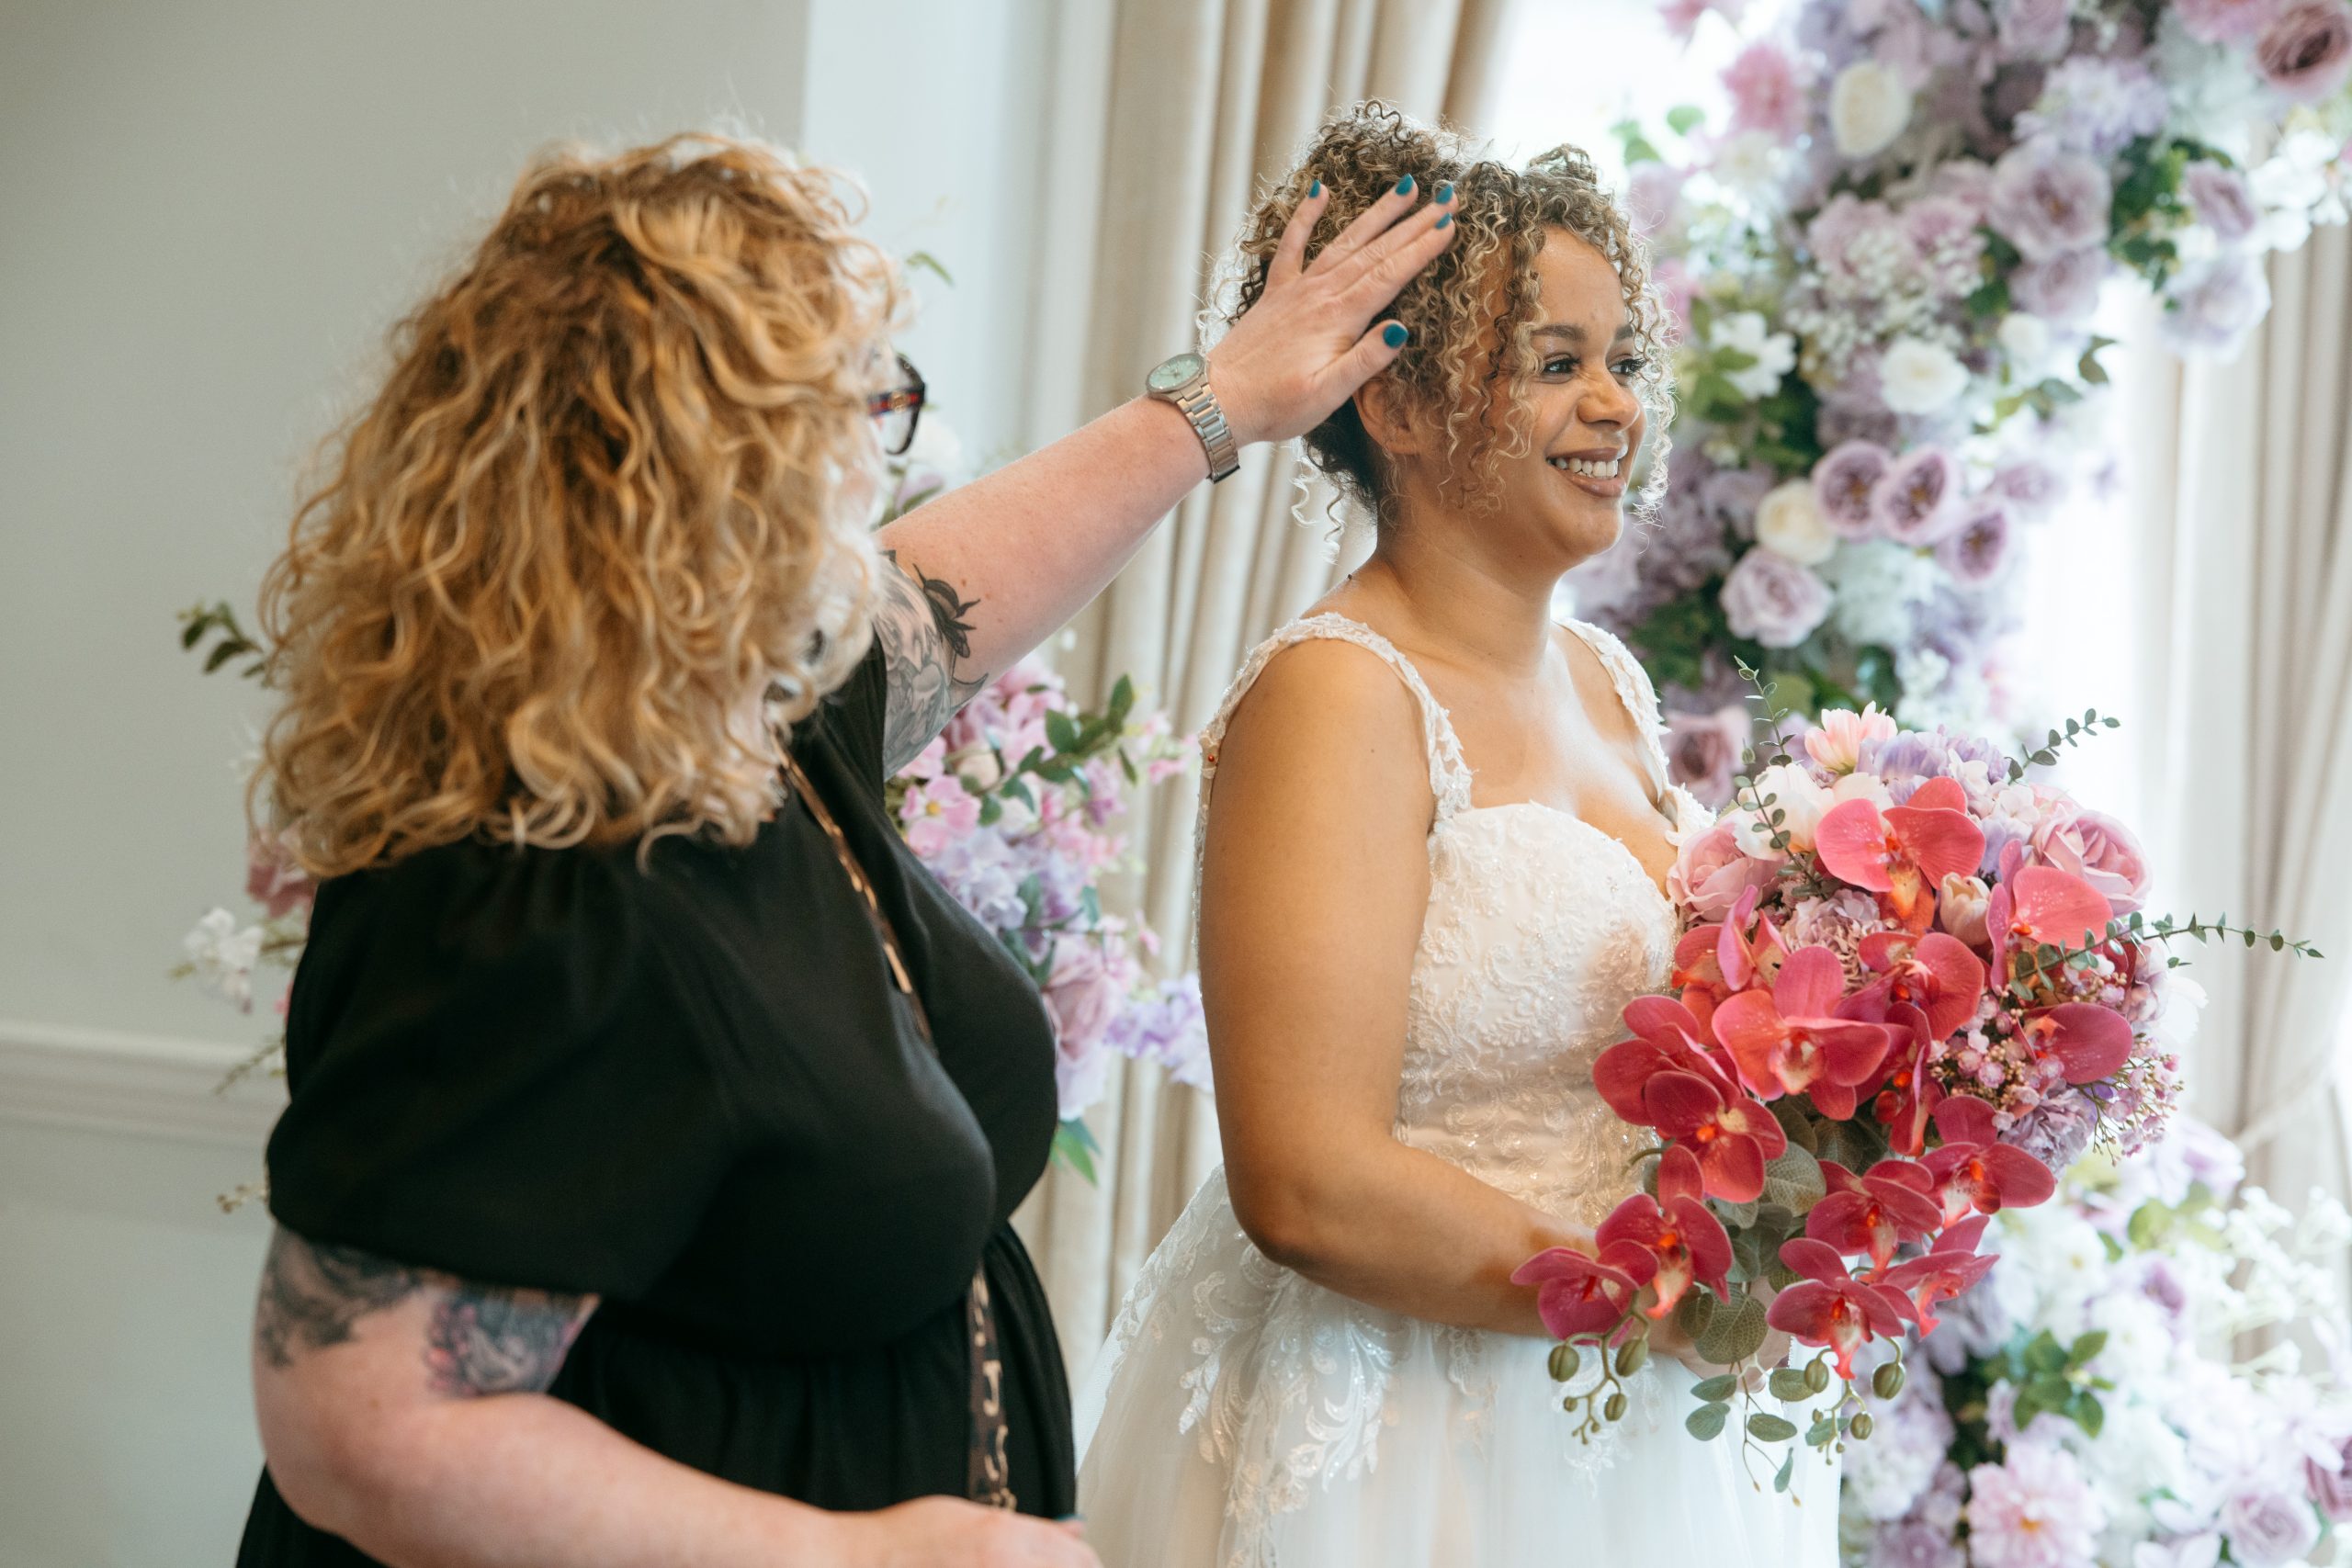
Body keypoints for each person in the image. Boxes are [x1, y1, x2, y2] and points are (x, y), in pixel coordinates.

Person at [232, 132, 1454, 1568]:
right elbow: (364, 1432)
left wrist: (1222, 401)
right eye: (862, 404)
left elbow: (945, 592)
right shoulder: (524, 883)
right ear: (711, 477)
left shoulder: (751, 705)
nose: (888, 446)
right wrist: (868, 1558)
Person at [1074, 106, 1831, 1565]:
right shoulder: (1339, 695)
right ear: (1399, 408)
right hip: (1409, 1440)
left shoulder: (1607, 679)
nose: (1617, 406)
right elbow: (1303, 1181)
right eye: (1557, 364)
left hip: (1619, 1433)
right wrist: (1654, 1294)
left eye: (1624, 361)